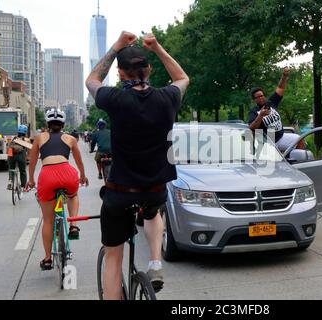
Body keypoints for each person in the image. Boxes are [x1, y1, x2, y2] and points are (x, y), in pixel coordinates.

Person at [85, 31, 189, 299]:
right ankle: (155, 262)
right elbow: (182, 77)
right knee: (153, 213)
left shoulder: (114, 99)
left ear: (120, 74)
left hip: (120, 192)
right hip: (154, 189)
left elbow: (92, 79)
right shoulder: (168, 97)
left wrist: (115, 47)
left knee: (113, 258)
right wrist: (157, 47)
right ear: (149, 69)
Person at [27, 109, 89, 271]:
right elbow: (79, 160)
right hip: (67, 174)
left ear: (47, 124)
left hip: (47, 177)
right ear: (63, 124)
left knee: (48, 220)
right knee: (73, 195)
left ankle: (47, 259)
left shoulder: (40, 138)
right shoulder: (70, 138)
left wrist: (31, 180)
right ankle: (73, 224)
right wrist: (82, 176)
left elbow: (32, 162)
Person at [248, 67, 299, 153]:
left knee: (299, 140)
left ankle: (295, 163)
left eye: (262, 95)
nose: (261, 98)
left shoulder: (271, 102)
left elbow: (280, 88)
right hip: (268, 143)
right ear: (254, 100)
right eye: (258, 97)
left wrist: (284, 76)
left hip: (281, 138)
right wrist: (261, 115)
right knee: (272, 163)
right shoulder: (254, 111)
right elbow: (252, 128)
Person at [7, 125, 29, 190]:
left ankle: (10, 182)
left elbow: (8, 148)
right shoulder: (26, 140)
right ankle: (23, 186)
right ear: (25, 132)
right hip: (21, 156)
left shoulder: (13, 139)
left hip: (11, 156)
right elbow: (30, 148)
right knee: (22, 171)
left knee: (11, 169)